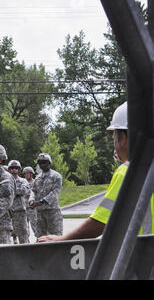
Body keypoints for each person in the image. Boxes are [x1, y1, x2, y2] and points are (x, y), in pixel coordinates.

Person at [38, 101, 154, 242]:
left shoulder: (129, 173)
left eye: (114, 135)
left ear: (123, 138)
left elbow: (100, 222)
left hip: (142, 256)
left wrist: (64, 239)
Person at [28, 153, 63, 238]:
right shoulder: (37, 178)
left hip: (52, 212)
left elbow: (55, 191)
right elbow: (33, 190)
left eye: (44, 162)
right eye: (40, 163)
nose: (42, 164)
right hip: (40, 213)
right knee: (41, 237)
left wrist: (41, 202)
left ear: (49, 163)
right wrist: (31, 200)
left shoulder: (56, 176)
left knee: (55, 237)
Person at [8, 160, 30, 244]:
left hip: (20, 211)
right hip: (8, 211)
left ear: (19, 169)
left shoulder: (23, 181)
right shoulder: (6, 181)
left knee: (23, 234)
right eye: (12, 168)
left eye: (16, 168)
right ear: (9, 169)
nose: (14, 170)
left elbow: (23, 191)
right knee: (6, 234)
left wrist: (11, 191)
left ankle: (26, 252)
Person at [23, 166, 38, 237]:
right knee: (25, 227)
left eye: (28, 173)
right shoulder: (23, 182)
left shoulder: (35, 182)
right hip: (24, 207)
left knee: (35, 225)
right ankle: (26, 241)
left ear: (31, 174)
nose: (26, 175)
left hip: (32, 208)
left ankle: (39, 238)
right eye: (25, 174)